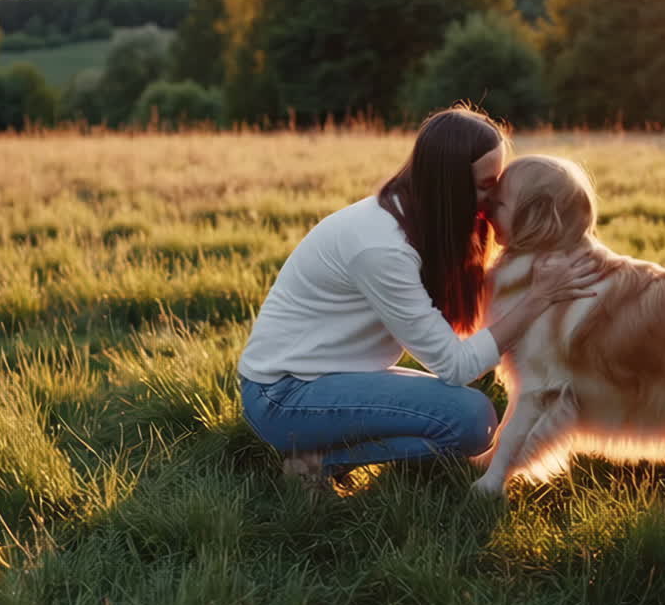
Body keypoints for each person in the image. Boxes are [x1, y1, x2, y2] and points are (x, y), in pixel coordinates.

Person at [237, 107, 597, 483]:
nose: (491, 203)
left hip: (329, 379)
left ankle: (328, 448)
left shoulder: (416, 219)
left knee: (464, 410)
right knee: (470, 420)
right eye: (485, 187)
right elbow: (456, 367)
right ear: (448, 186)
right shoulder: (383, 249)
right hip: (284, 397)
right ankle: (319, 461)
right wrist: (538, 298)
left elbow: (466, 340)